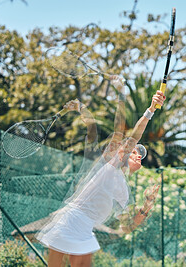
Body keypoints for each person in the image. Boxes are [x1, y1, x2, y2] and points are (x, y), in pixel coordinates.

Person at [36, 76, 166, 267]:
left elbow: (127, 226)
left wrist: (146, 208)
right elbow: (133, 133)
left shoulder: (123, 191)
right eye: (134, 151)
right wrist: (151, 109)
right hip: (71, 222)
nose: (138, 154)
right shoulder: (111, 168)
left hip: (86, 230)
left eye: (141, 155)